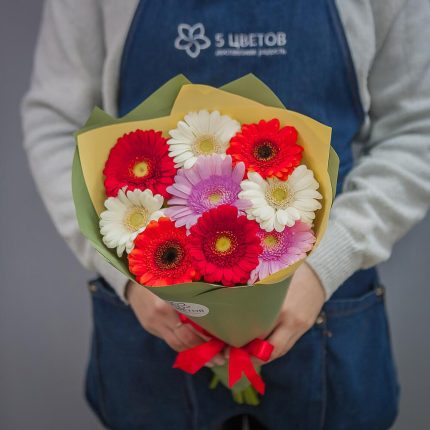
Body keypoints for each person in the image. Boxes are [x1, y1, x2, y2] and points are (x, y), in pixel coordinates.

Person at [22, 1, 430, 429]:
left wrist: (326, 263)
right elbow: (54, 121)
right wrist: (126, 275)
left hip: (325, 311)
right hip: (152, 317)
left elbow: (418, 129)